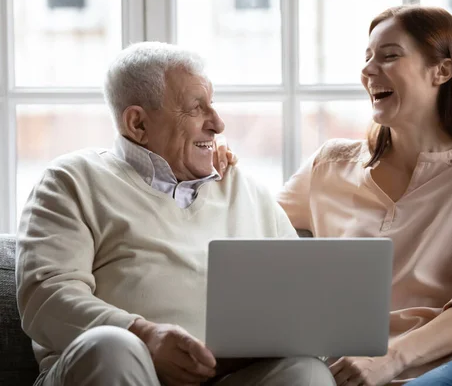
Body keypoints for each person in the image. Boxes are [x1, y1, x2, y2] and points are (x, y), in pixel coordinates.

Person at [217, 5, 452, 385]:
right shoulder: (329, 166)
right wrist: (221, 176)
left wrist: (390, 358)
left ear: (442, 70)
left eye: (389, 56)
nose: (368, 71)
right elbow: (251, 233)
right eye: (367, 58)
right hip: (356, 371)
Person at [15, 42, 336, 386]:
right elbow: (46, 297)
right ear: (138, 123)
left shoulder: (246, 190)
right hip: (116, 369)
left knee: (308, 372)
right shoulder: (72, 180)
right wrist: (144, 336)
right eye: (197, 109)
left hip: (227, 377)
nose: (217, 123)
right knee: (112, 346)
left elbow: (302, 305)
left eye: (212, 105)